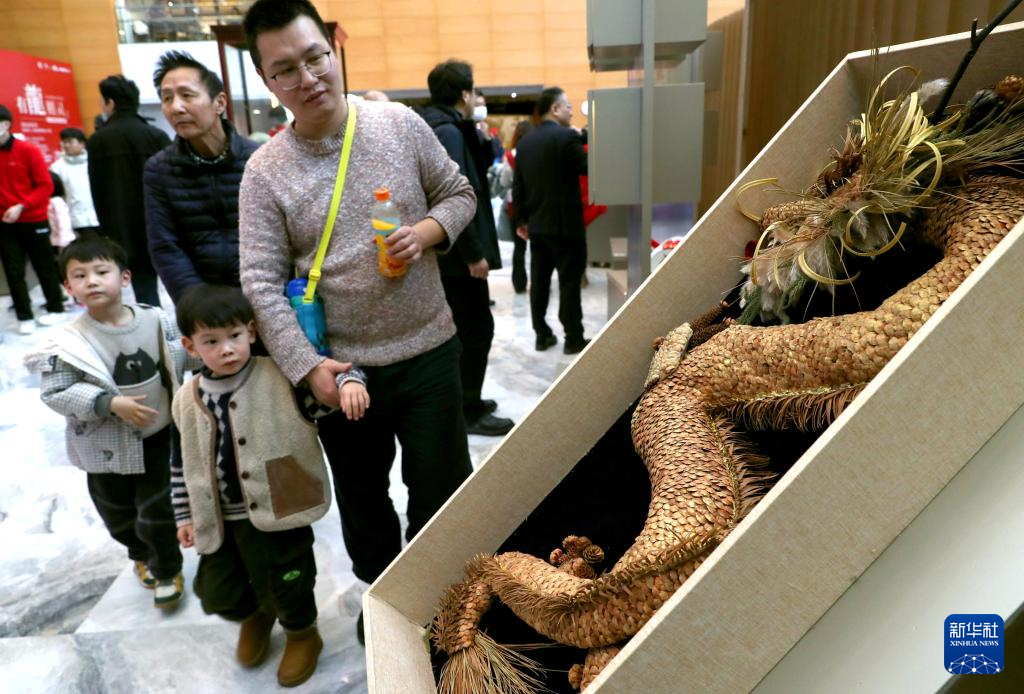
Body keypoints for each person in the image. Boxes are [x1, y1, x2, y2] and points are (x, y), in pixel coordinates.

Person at [239, 0, 476, 642]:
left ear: (333, 49)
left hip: (429, 349)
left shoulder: (398, 124)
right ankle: (387, 601)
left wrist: (426, 232)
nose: (308, 77)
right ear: (266, 80)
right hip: (347, 372)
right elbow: (260, 281)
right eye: (286, 69)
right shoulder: (264, 172)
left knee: (441, 488)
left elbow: (459, 193)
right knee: (364, 500)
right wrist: (307, 366)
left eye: (315, 57)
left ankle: (438, 595)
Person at [171, 284, 366, 687]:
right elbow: (180, 461)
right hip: (220, 518)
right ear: (191, 346)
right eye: (211, 341)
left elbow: (329, 390)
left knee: (289, 578)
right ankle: (255, 614)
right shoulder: (185, 398)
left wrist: (350, 382)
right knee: (220, 589)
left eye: (235, 336)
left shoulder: (281, 376)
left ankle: (301, 632)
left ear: (252, 332)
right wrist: (184, 514)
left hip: (282, 506)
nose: (227, 349)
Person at [24, 236, 185, 609]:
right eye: (80, 276)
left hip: (157, 437)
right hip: (104, 447)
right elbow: (56, 392)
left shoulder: (155, 320)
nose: (92, 281)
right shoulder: (68, 342)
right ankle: (138, 552)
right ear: (68, 288)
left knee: (157, 510)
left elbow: (180, 357)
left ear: (125, 277)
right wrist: (107, 403)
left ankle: (167, 569)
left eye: (101, 271)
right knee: (118, 514)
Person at [421, 60, 513, 437]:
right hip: (456, 257)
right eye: (474, 91)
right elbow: (456, 196)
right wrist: (473, 253)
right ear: (464, 94)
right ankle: (467, 409)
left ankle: (466, 402)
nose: (476, 98)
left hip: (447, 252)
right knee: (476, 330)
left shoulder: (439, 127)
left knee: (467, 329)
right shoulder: (449, 132)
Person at [145, 51, 261, 303]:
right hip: (203, 307)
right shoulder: (159, 169)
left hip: (262, 297)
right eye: (167, 98)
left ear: (219, 103)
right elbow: (165, 247)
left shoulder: (259, 158)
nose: (176, 107)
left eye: (187, 95)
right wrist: (199, 305)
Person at [513, 87, 591, 354]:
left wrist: (521, 221)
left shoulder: (525, 143)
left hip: (538, 226)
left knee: (539, 282)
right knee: (569, 283)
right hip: (567, 227)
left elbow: (518, 186)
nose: (571, 111)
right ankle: (573, 337)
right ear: (555, 109)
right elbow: (587, 167)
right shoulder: (566, 137)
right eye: (568, 106)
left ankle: (542, 335)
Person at [88, 75, 171, 306]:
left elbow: (97, 191)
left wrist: (106, 230)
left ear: (111, 103)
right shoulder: (156, 135)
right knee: (178, 283)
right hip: (161, 224)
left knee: (144, 289)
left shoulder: (97, 141)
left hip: (122, 229)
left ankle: (153, 324)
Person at [0, 104, 67, 335]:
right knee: (13, 271)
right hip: (5, 223)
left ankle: (56, 308)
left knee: (44, 265)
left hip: (33, 218)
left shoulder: (28, 150)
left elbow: (45, 185)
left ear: (6, 125)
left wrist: (22, 206)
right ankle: (24, 316)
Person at [49, 128, 100, 236]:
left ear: (82, 143)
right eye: (64, 142)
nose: (66, 145)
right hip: (74, 219)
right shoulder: (57, 168)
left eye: (70, 142)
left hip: (98, 216)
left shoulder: (94, 162)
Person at [502, 119, 534, 294]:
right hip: (535, 203)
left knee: (519, 246)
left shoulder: (510, 156)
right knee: (537, 247)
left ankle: (519, 283)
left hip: (514, 204)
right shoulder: (537, 152)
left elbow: (504, 181)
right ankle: (539, 282)